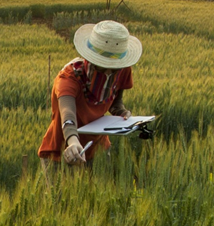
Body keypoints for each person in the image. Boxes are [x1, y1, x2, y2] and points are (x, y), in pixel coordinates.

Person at [38, 20, 141, 166]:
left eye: (114, 68)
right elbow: (67, 114)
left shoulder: (123, 70)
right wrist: (73, 141)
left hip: (99, 150)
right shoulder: (69, 78)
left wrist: (120, 111)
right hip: (63, 153)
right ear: (91, 60)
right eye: (103, 66)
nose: (109, 72)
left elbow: (116, 98)